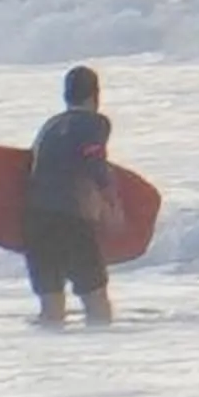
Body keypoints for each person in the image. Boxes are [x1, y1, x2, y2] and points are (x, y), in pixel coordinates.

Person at [25, 64, 118, 326]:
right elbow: (94, 162)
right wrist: (112, 206)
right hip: (70, 218)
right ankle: (98, 358)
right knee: (97, 304)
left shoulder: (49, 126)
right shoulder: (95, 122)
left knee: (51, 309)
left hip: (35, 220)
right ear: (96, 95)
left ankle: (52, 362)